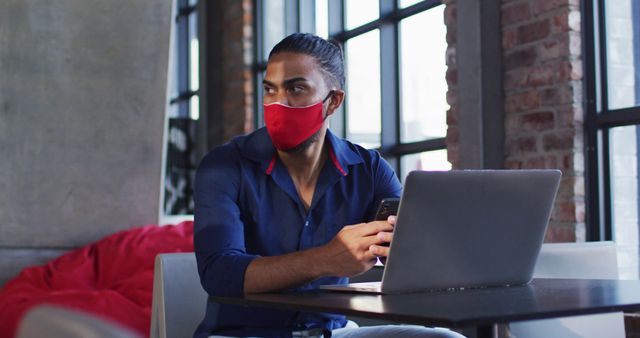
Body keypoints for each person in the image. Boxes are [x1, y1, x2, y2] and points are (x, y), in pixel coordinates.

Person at [193, 33, 465, 338]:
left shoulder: (369, 169)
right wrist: (325, 258)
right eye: (270, 89)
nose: (278, 102)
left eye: (296, 88)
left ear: (333, 101)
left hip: (333, 332)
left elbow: (410, 259)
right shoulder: (224, 166)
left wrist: (418, 250)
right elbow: (219, 273)